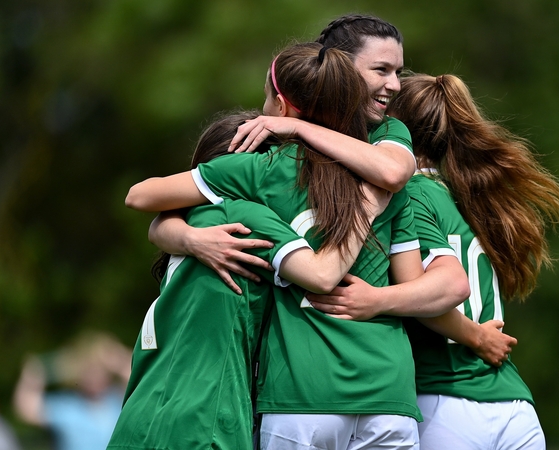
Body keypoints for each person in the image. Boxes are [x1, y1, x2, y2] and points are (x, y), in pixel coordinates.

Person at [124, 42, 471, 450]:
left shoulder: (261, 172)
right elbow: (416, 284)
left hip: (301, 393)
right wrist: (378, 299)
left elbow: (140, 197)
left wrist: (184, 234)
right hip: (389, 393)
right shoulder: (390, 181)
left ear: (283, 106)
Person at [310, 73, 559, 449]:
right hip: (513, 405)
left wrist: (477, 338)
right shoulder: (474, 193)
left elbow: (432, 294)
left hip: (445, 399)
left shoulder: (411, 193)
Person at [107, 106, 390, 450]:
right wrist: (365, 209)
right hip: (205, 423)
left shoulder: (191, 222)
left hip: (138, 422)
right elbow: (322, 274)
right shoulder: (245, 215)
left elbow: (153, 217)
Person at [148, 14, 417, 293]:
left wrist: (298, 127)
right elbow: (163, 211)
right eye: (381, 70)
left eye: (398, 71)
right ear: (341, 68)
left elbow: (392, 173)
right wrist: (190, 238)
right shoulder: (266, 144)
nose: (396, 84)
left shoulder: (386, 131)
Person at [13, 331, 131, 450]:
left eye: (99, 369)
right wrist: (34, 374)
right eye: (88, 370)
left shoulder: (118, 399)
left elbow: (137, 375)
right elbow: (27, 408)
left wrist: (112, 355)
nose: (94, 375)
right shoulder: (68, 406)